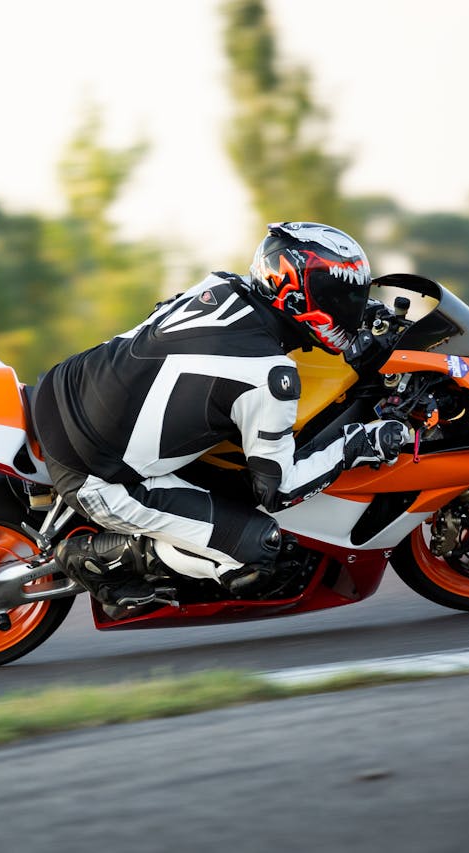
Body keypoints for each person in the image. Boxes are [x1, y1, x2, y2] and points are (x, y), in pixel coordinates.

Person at [31, 221, 410, 609]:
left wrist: (365, 317)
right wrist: (359, 444)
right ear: (299, 297)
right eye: (340, 298)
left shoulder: (222, 286)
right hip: (95, 475)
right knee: (259, 553)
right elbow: (279, 490)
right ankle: (103, 558)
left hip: (63, 387)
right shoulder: (268, 375)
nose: (350, 308)